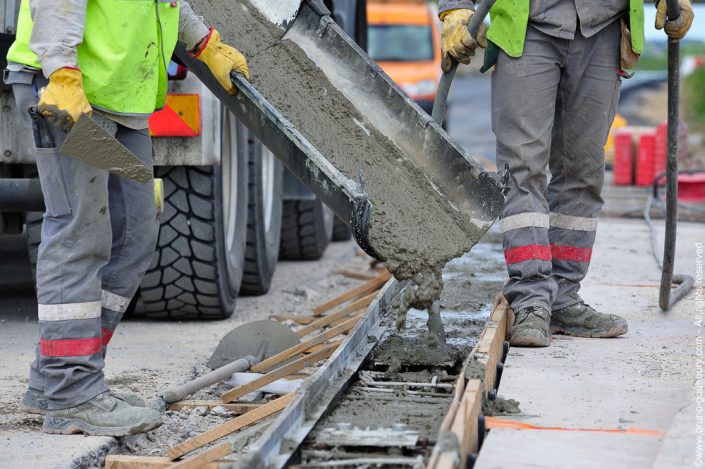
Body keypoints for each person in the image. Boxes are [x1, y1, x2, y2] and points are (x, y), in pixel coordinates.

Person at [4, 0, 249, 435]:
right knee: (81, 230)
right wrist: (61, 69)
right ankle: (72, 391)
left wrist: (205, 43)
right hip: (68, 90)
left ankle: (61, 375)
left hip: (118, 99)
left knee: (135, 233)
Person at [438, 0, 693, 347]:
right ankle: (529, 299)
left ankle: (563, 299)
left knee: (583, 171)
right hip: (528, 26)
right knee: (522, 169)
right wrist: (456, 7)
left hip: (602, 26)